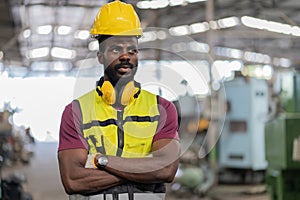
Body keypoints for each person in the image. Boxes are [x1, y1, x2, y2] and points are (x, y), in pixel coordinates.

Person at [57, 1, 180, 200]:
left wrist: (99, 160)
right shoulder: (76, 112)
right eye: (115, 50)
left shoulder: (162, 109)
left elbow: (165, 170)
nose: (125, 57)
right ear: (100, 56)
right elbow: (73, 180)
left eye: (132, 50)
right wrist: (144, 168)